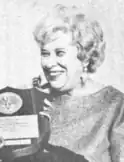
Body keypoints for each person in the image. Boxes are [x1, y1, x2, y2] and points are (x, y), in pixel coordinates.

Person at [33, 4, 124, 162]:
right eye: (45, 53)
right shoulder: (34, 99)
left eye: (60, 53)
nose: (49, 63)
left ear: (85, 56)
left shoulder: (115, 105)